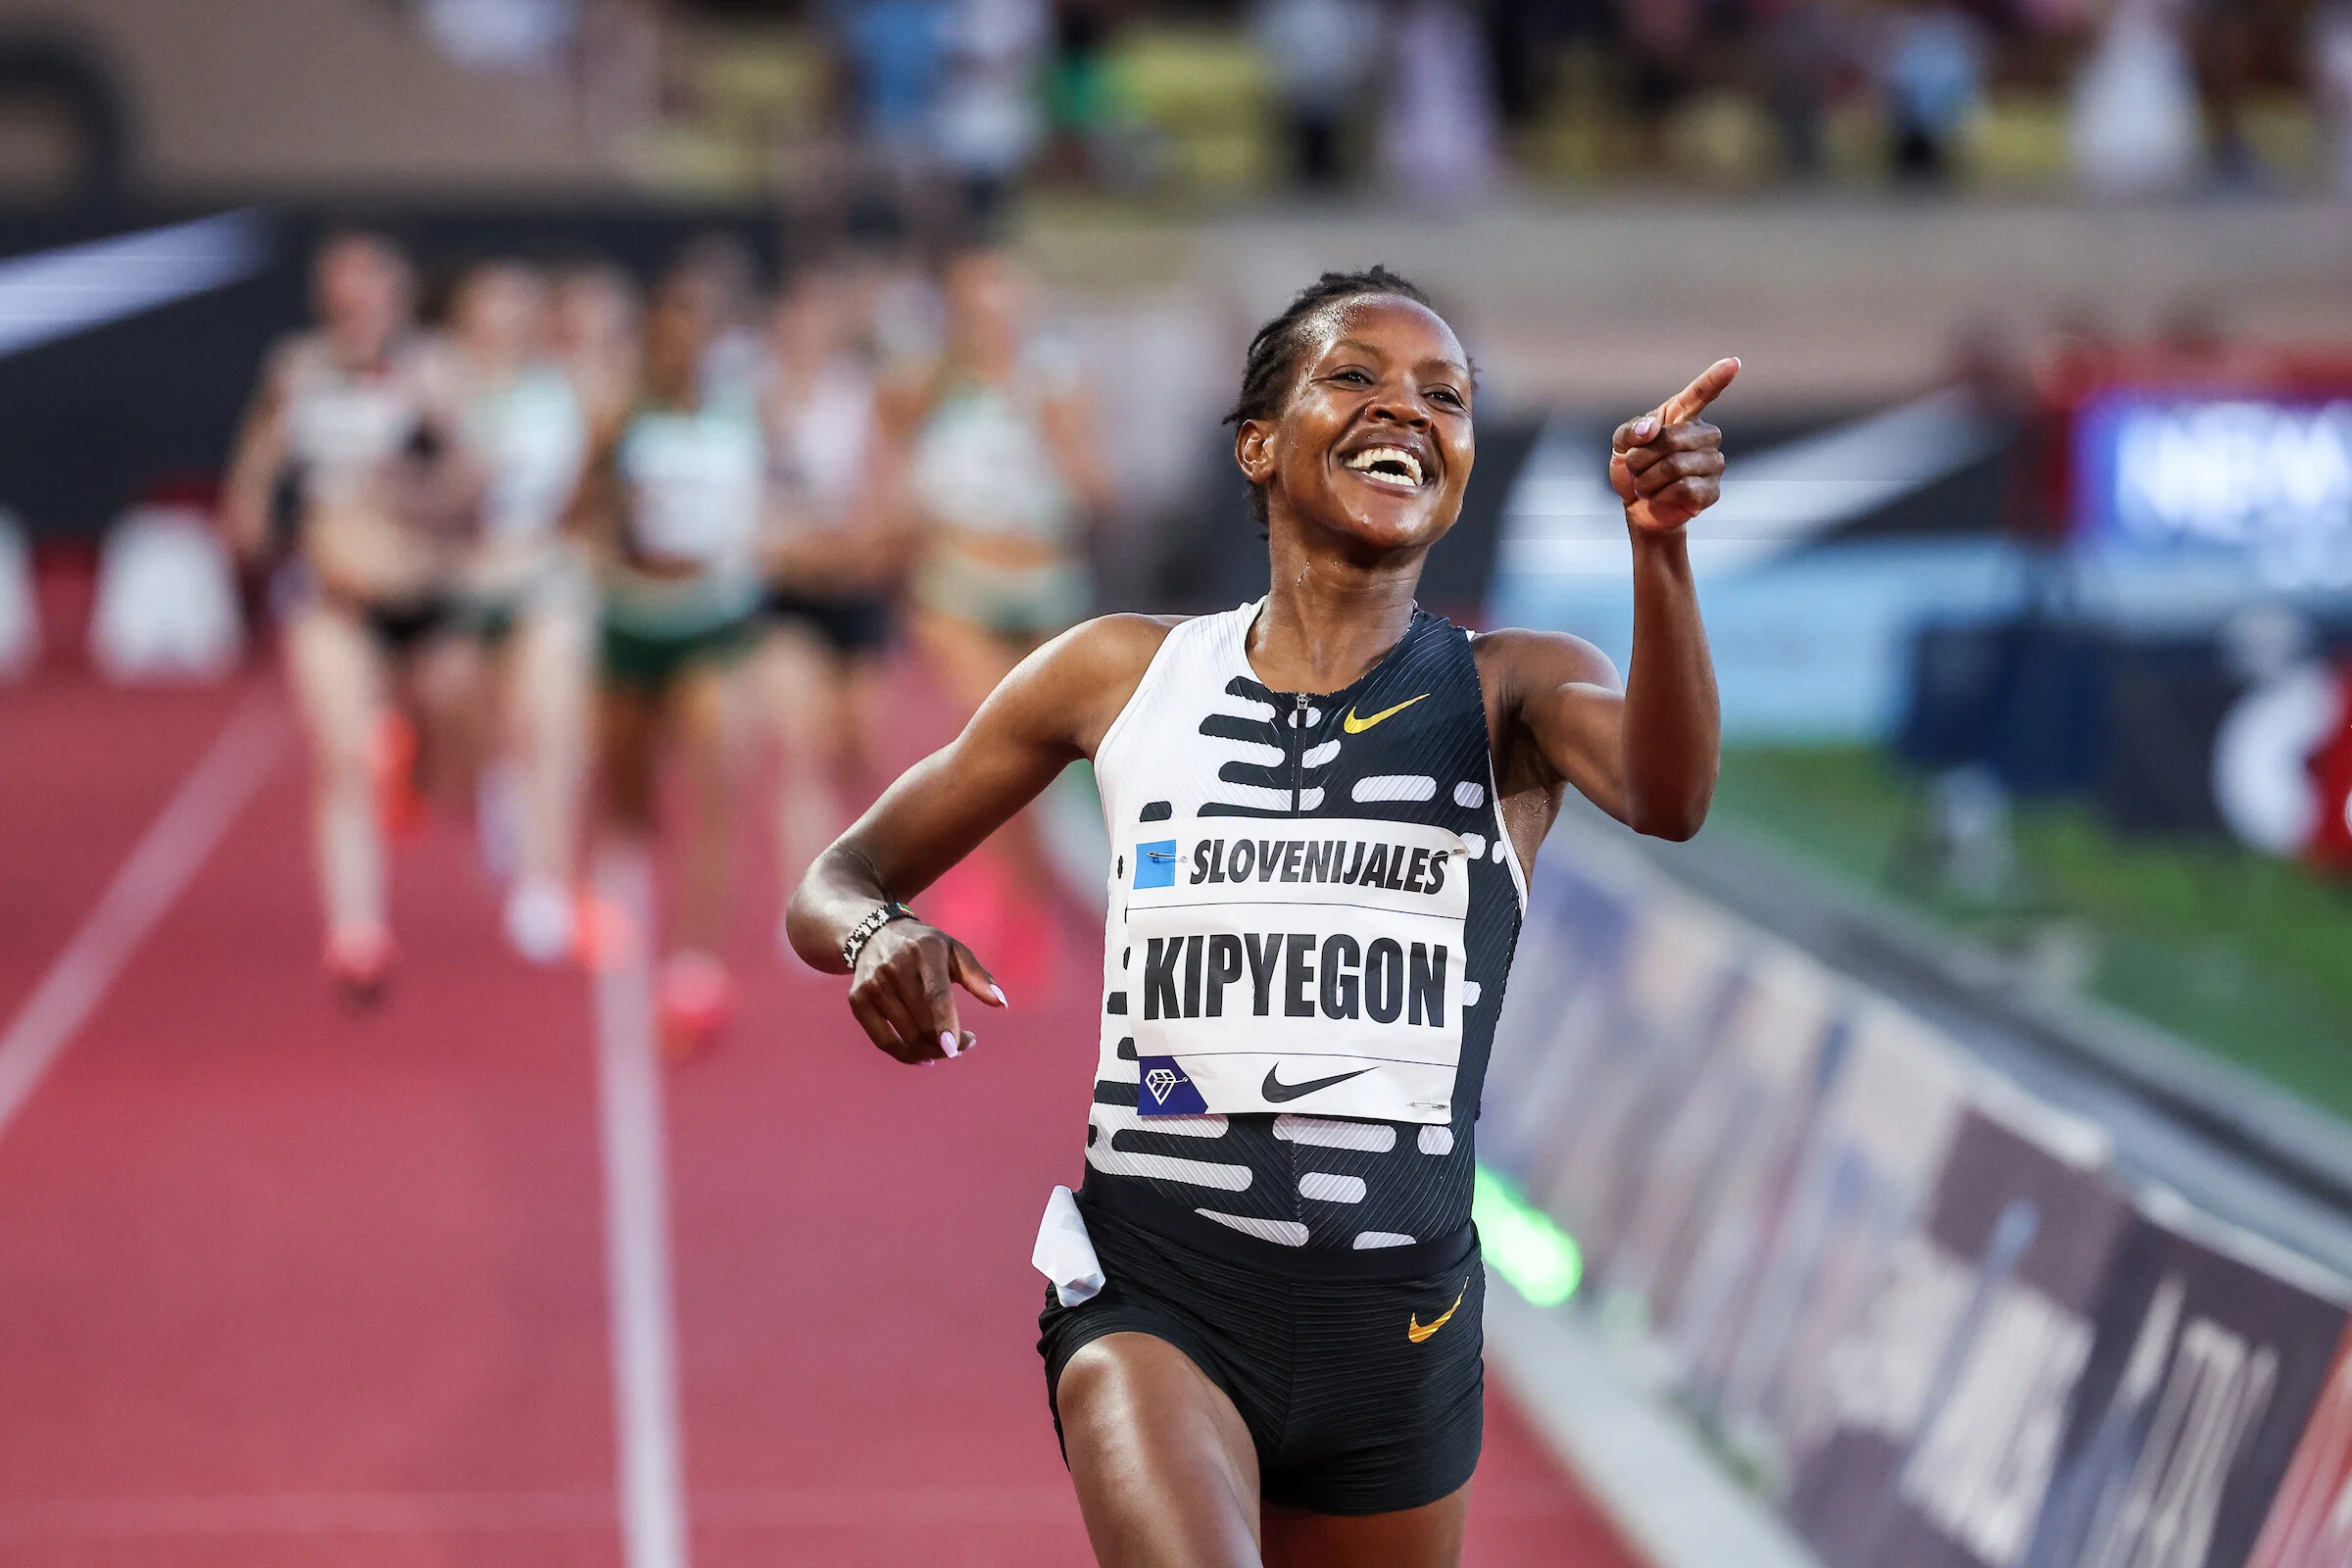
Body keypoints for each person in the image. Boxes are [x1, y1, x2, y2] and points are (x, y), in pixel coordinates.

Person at [787, 267, 1733, 1566]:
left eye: (1445, 396)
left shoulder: (1514, 689)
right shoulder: (1119, 672)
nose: (1406, 409)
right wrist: (878, 934)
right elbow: (838, 876)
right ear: (1257, 444)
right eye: (1355, 377)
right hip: (1161, 1293)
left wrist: (1660, 549)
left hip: (1400, 1329)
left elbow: (1671, 797)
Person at [223, 231, 484, 1003]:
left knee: (447, 743)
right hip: (333, 596)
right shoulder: (297, 369)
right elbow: (258, 464)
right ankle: (357, 932)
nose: (357, 307)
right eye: (342, 293)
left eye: (371, 291)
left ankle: (414, 765)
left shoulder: (434, 369)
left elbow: (474, 485)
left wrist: (419, 477)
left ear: (398, 298)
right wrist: (248, 514)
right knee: (341, 758)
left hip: (422, 592)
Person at [576, 259, 767, 1055]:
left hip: (712, 620)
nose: (686, 343)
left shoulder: (747, 416)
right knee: (627, 794)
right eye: (673, 328)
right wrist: (608, 523)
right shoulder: (620, 415)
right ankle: (612, 899)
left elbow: (775, 504)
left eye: (701, 329)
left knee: (715, 777)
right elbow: (579, 509)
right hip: (632, 618)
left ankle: (694, 968)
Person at [436, 259, 596, 962]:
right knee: (467, 721)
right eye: (490, 309)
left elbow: (594, 486)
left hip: (544, 573)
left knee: (549, 721)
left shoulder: (567, 386)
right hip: (463, 579)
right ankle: (489, 785)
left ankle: (545, 878)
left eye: (517, 309)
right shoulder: (440, 383)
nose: (504, 324)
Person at [757, 265, 906, 934]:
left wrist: (855, 543)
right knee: (803, 749)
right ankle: (811, 904)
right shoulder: (757, 399)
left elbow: (888, 493)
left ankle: (882, 884)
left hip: (854, 592)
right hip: (789, 598)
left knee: (866, 750)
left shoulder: (861, 398)